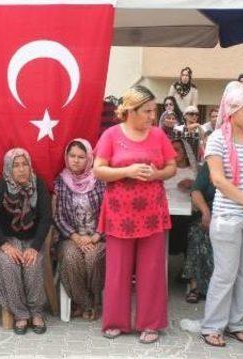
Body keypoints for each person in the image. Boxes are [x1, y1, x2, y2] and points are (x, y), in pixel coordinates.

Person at [94, 85, 177, 344]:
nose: (153, 116)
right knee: (117, 270)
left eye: (154, 111)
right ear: (130, 110)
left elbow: (172, 166)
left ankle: (150, 324)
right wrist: (127, 171)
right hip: (119, 214)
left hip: (153, 213)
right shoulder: (111, 135)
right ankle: (116, 322)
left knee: (151, 270)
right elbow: (98, 170)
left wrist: (158, 174)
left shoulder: (159, 135)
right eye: (148, 111)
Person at [200, 84, 243, 347]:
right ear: (233, 111)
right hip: (228, 216)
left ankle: (238, 324)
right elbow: (217, 179)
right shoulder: (217, 138)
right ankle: (212, 326)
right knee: (225, 273)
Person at [0, 148, 52, 335]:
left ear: (30, 166)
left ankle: (36, 312)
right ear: (8, 169)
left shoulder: (39, 185)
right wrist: (5, 245)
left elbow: (46, 218)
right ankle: (20, 314)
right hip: (3, 240)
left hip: (31, 240)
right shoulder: (2, 185)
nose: (21, 169)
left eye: (24, 164)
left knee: (32, 264)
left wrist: (35, 247)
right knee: (9, 263)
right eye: (16, 165)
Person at [54, 139, 106, 320]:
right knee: (71, 257)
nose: (75, 160)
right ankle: (85, 303)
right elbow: (59, 217)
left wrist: (95, 237)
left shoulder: (99, 180)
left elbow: (108, 213)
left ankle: (92, 299)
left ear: (89, 159)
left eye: (81, 157)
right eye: (72, 156)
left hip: (97, 237)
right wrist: (76, 237)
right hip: (70, 238)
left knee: (93, 258)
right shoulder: (61, 180)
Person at [182, 159, 215, 303]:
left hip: (233, 212)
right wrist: (206, 212)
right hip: (209, 210)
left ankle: (214, 287)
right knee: (198, 233)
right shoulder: (211, 163)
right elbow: (195, 190)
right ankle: (194, 284)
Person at [165, 138, 197, 257]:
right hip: (167, 211)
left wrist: (193, 185)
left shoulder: (193, 171)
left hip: (186, 213)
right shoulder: (165, 171)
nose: (173, 153)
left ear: (186, 153)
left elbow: (201, 192)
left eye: (177, 150)